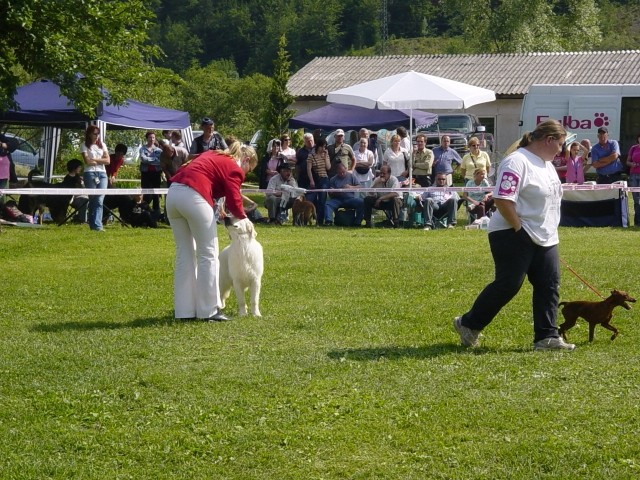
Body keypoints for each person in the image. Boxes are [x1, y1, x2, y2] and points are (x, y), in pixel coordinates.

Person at [453, 120, 575, 351]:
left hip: (545, 235)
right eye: (559, 144)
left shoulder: (546, 163)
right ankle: (468, 324)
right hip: (511, 231)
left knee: (549, 284)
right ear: (548, 140)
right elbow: (502, 199)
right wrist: (519, 228)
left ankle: (546, 337)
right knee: (509, 283)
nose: (561, 150)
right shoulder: (516, 161)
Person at [165, 141, 257, 321]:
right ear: (245, 160)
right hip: (194, 196)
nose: (246, 174)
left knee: (184, 253)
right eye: (250, 169)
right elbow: (234, 200)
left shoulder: (214, 155)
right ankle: (209, 310)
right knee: (208, 253)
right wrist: (245, 219)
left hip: (173, 195)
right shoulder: (234, 167)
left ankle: (184, 311)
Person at [80, 125, 110, 231]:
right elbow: (87, 162)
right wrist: (100, 159)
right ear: (89, 134)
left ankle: (97, 225)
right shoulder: (84, 145)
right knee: (93, 199)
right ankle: (94, 224)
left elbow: (108, 161)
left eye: (98, 133)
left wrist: (95, 159)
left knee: (99, 199)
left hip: (102, 174)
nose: (97, 136)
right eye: (95, 133)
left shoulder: (103, 145)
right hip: (90, 174)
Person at [325, 161, 364, 226]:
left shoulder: (352, 176)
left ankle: (357, 222)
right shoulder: (333, 179)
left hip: (350, 199)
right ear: (337, 172)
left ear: (346, 169)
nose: (342, 174)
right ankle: (328, 221)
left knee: (362, 202)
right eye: (340, 173)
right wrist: (335, 192)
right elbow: (330, 194)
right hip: (338, 199)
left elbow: (360, 186)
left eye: (343, 172)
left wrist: (351, 187)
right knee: (328, 204)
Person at [307, 138, 331, 225]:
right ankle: (310, 217)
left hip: (324, 179)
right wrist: (311, 181)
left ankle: (320, 221)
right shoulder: (311, 156)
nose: (324, 149)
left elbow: (328, 168)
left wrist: (325, 157)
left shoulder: (325, 155)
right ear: (319, 146)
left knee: (322, 200)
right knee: (310, 198)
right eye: (323, 147)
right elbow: (309, 169)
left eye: (325, 147)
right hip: (315, 178)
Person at [139, 131, 163, 216]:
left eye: (153, 137)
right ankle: (144, 211)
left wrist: (149, 160)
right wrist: (154, 160)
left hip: (156, 173)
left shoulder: (159, 150)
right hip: (146, 174)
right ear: (147, 138)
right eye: (150, 137)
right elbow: (143, 159)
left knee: (156, 194)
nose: (152, 139)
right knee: (146, 194)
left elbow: (160, 161)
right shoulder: (142, 149)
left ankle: (156, 213)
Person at [61, 159, 88, 223]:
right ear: (74, 168)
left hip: (84, 196)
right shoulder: (68, 179)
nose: (80, 168)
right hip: (73, 198)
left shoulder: (79, 177)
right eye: (79, 167)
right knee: (84, 201)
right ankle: (82, 220)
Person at [625, 133, 640, 226]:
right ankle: (636, 222)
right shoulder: (633, 148)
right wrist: (632, 164)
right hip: (633, 175)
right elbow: (627, 161)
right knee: (636, 200)